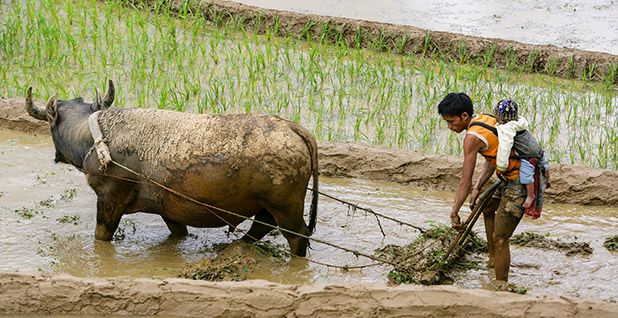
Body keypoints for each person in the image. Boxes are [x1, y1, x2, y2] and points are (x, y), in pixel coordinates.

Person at [436, 92, 546, 283]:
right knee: (487, 206)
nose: (449, 126)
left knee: (501, 238)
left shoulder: (472, 137)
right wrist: (478, 187)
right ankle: (493, 259)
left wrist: (454, 213)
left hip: (520, 182)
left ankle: (500, 286)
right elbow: (493, 155)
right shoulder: (485, 119)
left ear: (464, 116)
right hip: (509, 176)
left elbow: (464, 182)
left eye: (451, 121)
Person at [493, 99, 550, 219]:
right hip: (539, 151)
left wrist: (501, 166)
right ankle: (547, 180)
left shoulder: (507, 129)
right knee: (545, 166)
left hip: (528, 157)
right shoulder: (520, 122)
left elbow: (505, 147)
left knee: (526, 176)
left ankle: (530, 195)